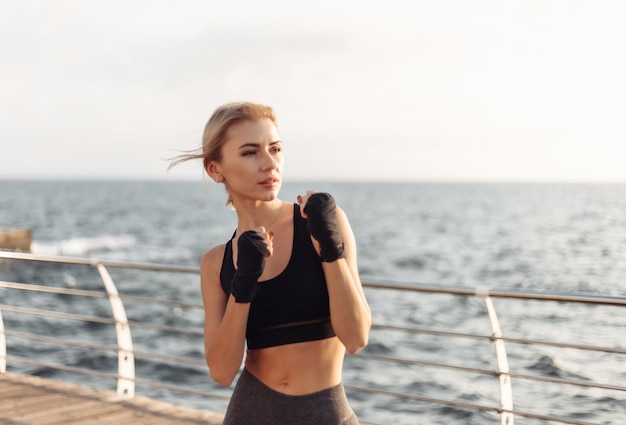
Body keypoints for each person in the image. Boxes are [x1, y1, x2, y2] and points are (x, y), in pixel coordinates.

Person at [169, 101, 371, 425]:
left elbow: (357, 338)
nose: (269, 163)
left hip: (325, 412)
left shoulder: (320, 223)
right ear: (215, 169)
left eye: (275, 149)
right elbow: (221, 371)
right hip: (251, 411)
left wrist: (329, 250)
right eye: (250, 152)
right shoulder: (215, 262)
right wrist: (243, 283)